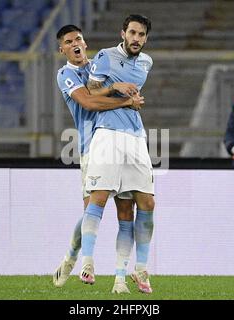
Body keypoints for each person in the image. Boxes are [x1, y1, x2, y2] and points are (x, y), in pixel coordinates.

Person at [52, 25, 144, 292]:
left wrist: (126, 93)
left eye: (78, 38)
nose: (76, 44)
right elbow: (89, 102)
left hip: (119, 141)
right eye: (69, 42)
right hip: (91, 145)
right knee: (93, 208)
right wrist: (123, 101)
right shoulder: (66, 74)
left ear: (85, 42)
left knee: (126, 208)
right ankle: (72, 256)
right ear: (63, 50)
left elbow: (116, 91)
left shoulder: (100, 65)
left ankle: (119, 275)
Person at [80, 14, 155, 294]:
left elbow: (133, 100)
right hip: (107, 134)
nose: (136, 38)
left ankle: (132, 273)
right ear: (123, 33)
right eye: (132, 33)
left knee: (142, 204)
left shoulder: (147, 62)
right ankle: (87, 263)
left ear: (146, 38)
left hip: (135, 137)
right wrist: (119, 92)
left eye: (142, 35)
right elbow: (90, 97)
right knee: (99, 197)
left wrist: (131, 102)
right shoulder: (105, 57)